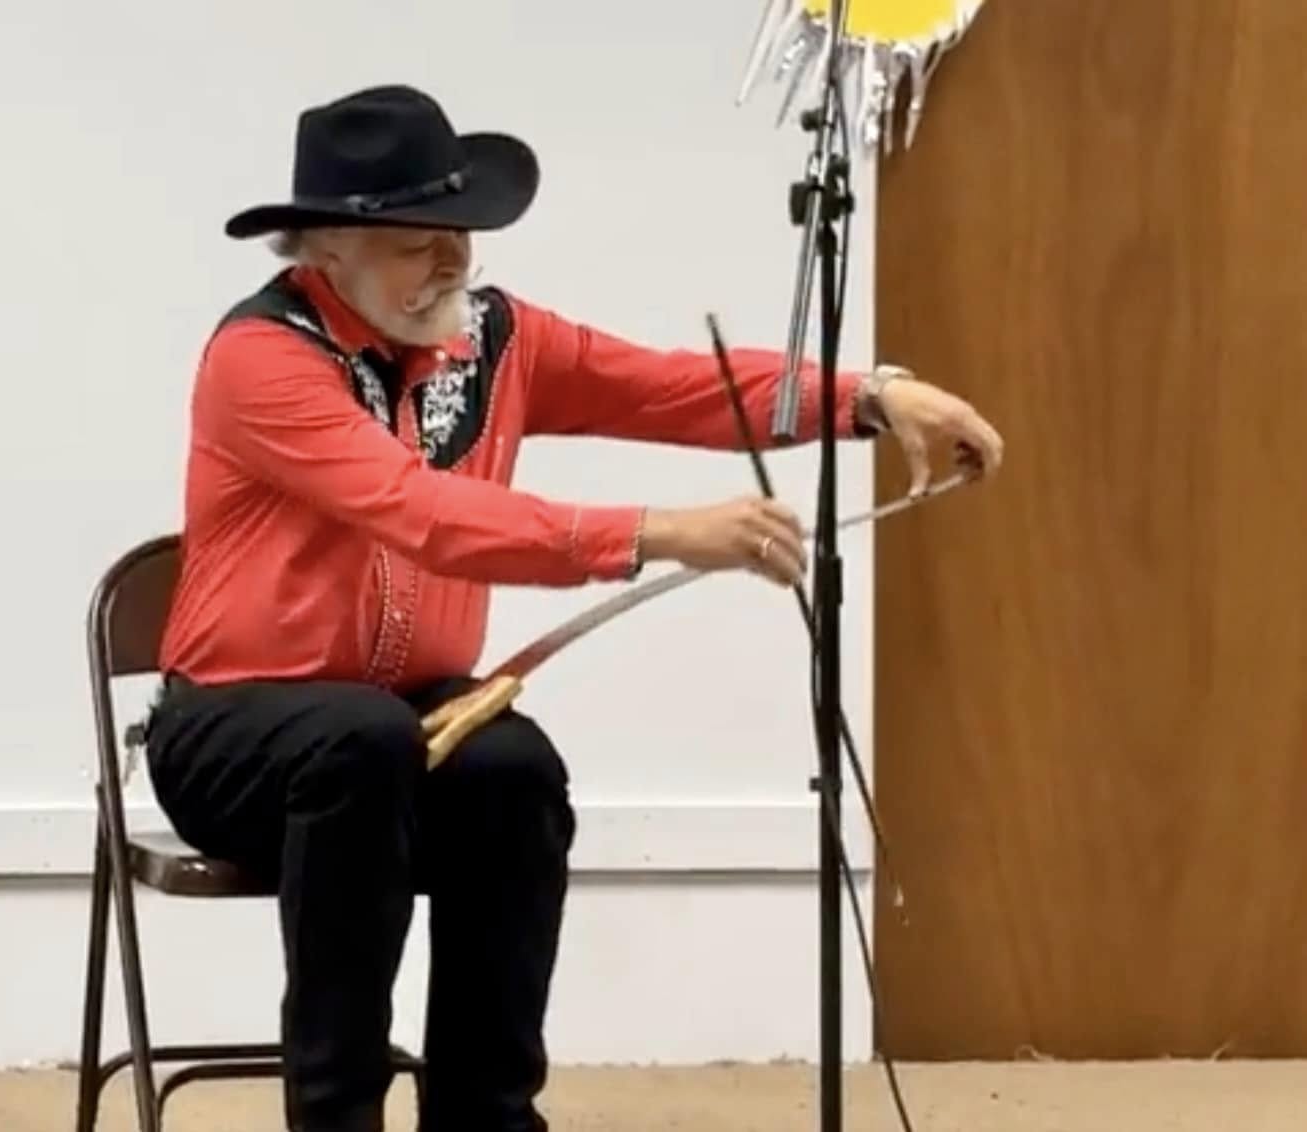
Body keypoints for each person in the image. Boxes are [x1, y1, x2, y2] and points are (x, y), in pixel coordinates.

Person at [143, 84, 1003, 1132]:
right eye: (420, 244)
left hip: (401, 722)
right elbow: (418, 513)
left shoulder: (495, 341)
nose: (455, 263)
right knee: (358, 744)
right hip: (237, 733)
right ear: (327, 253)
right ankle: (337, 1118)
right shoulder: (260, 359)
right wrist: (653, 532)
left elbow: (669, 385)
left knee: (512, 769)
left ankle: (486, 1115)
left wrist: (865, 396)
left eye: (460, 236)